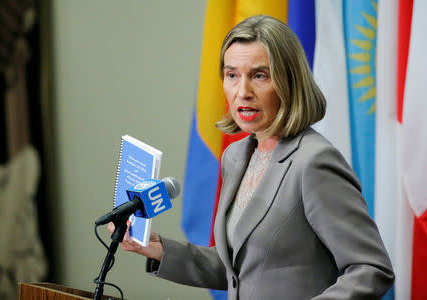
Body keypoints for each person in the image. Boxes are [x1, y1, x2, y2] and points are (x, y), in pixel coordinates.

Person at [108, 15, 394, 299]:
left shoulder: (314, 162)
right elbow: (239, 270)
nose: (242, 92)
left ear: (288, 82)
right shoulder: (236, 156)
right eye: (232, 75)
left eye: (259, 75)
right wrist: (158, 247)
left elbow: (371, 268)